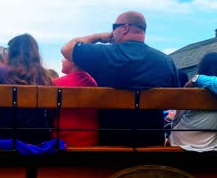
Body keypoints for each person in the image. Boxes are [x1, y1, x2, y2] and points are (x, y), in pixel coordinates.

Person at [61, 10, 180, 146]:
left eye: (114, 28)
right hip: (153, 143)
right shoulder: (166, 61)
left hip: (111, 144)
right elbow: (174, 100)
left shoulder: (105, 54)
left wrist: (100, 37)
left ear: (125, 28)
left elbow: (67, 48)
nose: (112, 33)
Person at [0, 33, 52, 144]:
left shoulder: (0, 72)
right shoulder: (44, 77)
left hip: (7, 134)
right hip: (38, 136)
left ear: (12, 53)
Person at [170, 53, 217, 152]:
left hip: (181, 141)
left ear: (202, 69)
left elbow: (177, 117)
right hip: (210, 143)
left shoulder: (192, 91)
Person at [52, 58, 98, 146]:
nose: (61, 60)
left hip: (63, 141)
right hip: (90, 141)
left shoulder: (57, 83)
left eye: (64, 58)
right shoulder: (92, 82)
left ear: (74, 62)